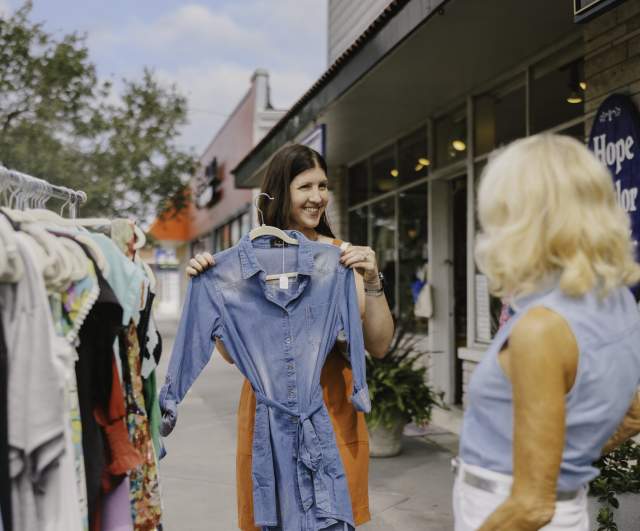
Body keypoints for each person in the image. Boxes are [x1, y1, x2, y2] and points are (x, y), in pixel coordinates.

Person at [187, 143, 395, 530]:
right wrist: (213, 296)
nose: (318, 197)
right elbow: (231, 355)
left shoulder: (343, 258)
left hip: (333, 411)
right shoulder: (245, 263)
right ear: (283, 191)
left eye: (323, 185)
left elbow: (380, 345)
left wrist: (372, 281)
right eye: (306, 187)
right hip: (269, 416)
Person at [455, 133, 640, 531]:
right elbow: (634, 413)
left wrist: (553, 467)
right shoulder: (619, 299)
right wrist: (566, 456)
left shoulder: (543, 327)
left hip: (508, 511)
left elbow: (532, 507)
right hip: (559, 507)